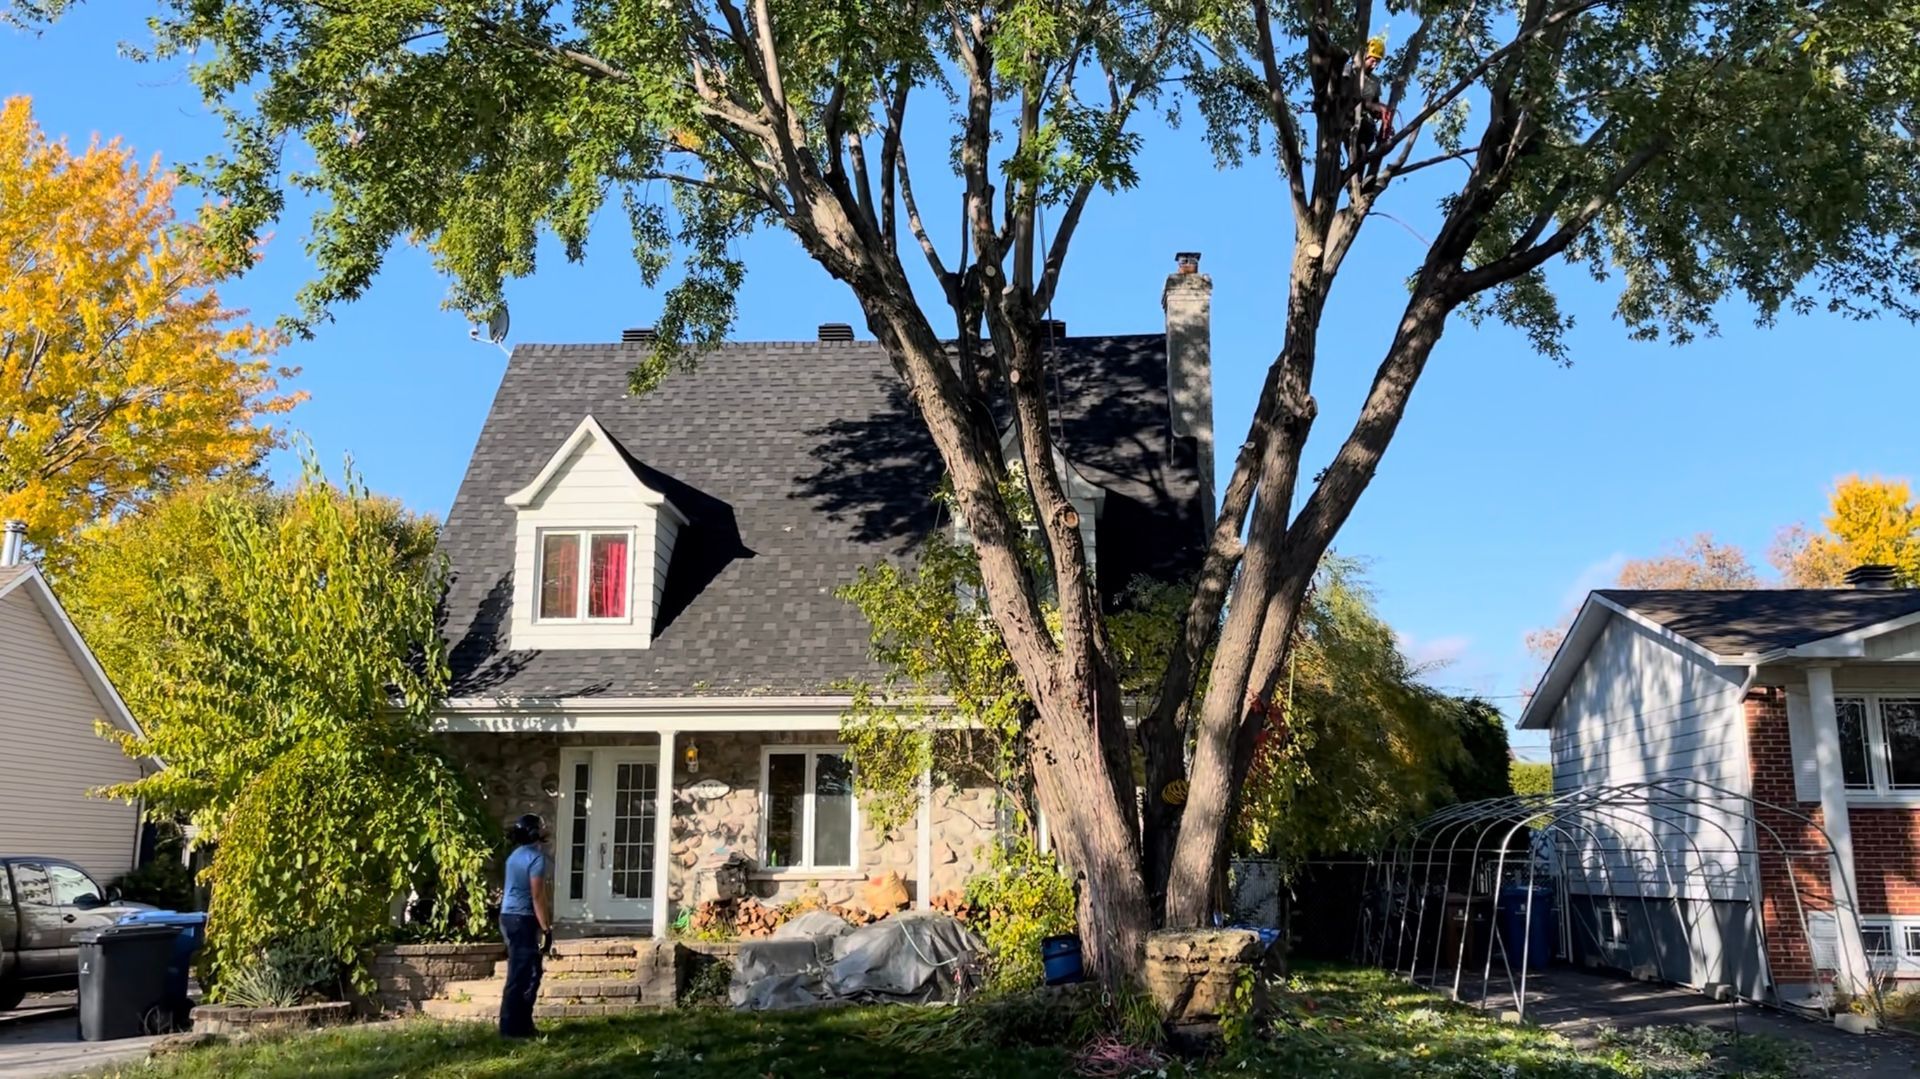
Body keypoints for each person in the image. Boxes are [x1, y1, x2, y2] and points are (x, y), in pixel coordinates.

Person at [499, 813, 552, 1039]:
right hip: (522, 919)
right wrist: (546, 928)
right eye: (540, 827)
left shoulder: (515, 855)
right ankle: (513, 1028)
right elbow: (537, 895)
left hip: (508, 917)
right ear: (533, 832)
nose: (543, 829)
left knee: (525, 972)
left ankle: (520, 1025)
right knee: (525, 973)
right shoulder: (535, 858)